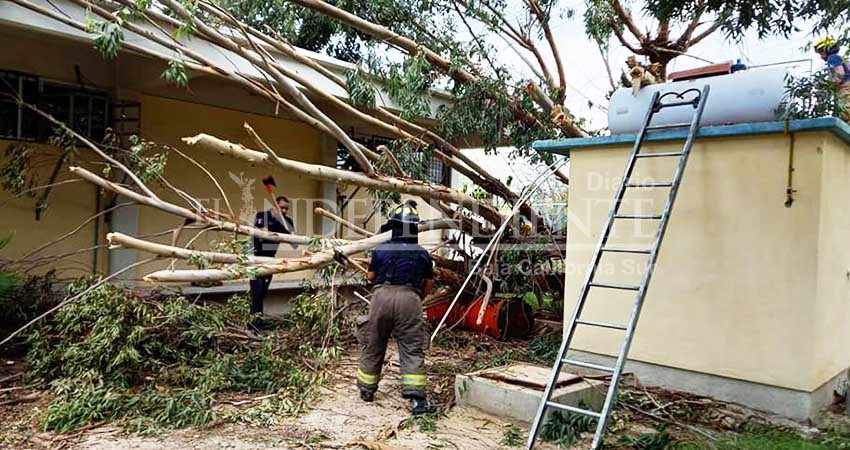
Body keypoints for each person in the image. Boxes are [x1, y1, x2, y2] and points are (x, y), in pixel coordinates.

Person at [356, 200, 437, 415]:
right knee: (411, 346)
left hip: (381, 298)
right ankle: (417, 399)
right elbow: (428, 282)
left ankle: (366, 389)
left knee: (374, 342)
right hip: (410, 299)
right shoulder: (421, 253)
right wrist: (417, 297)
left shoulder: (381, 249)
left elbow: (370, 277)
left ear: (393, 226)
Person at [250, 195, 295, 322]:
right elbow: (264, 234)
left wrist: (283, 222)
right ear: (275, 206)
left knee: (263, 292)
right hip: (256, 258)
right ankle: (255, 323)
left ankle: (256, 321)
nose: (284, 211)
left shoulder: (287, 221)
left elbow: (294, 241)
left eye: (286, 208)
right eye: (282, 208)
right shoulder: (262, 215)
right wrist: (278, 233)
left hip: (270, 260)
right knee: (256, 292)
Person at [815, 36, 850, 122]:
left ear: (826, 50)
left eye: (821, 52)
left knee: (845, 115)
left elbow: (840, 75)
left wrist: (828, 87)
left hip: (845, 89)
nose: (821, 56)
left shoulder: (832, 58)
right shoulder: (842, 58)